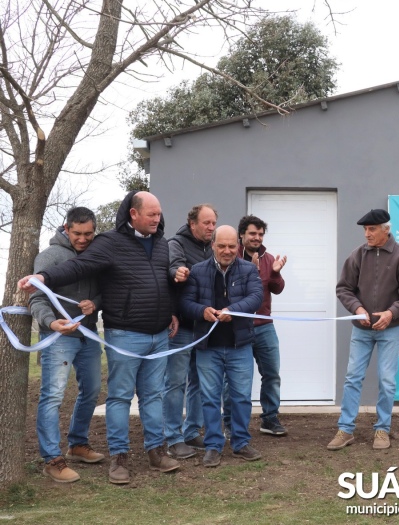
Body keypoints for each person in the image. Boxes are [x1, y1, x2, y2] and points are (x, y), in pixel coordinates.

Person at [19, 191, 181, 484]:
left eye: (159, 214)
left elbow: (141, 283)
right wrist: (43, 278)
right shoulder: (108, 243)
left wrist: (169, 310)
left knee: (148, 395)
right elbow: (76, 268)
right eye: (152, 214)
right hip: (120, 335)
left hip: (154, 334)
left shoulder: (161, 244)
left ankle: (156, 451)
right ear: (134, 214)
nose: (158, 219)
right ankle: (116, 458)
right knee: (114, 397)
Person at [328, 208, 399, 451]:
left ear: (386, 230)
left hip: (391, 329)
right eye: (365, 230)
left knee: (387, 380)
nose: (367, 234)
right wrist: (357, 307)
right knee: (352, 378)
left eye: (372, 229)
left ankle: (382, 429)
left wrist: (392, 312)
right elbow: (344, 289)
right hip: (361, 329)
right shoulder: (357, 256)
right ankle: (345, 429)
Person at [29, 207, 103, 483]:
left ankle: (78, 444)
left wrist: (95, 303)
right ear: (66, 228)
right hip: (58, 338)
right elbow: (36, 298)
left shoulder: (96, 255)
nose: (83, 239)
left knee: (93, 390)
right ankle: (52, 459)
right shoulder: (50, 257)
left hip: (89, 335)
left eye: (89, 234)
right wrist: (52, 323)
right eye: (77, 234)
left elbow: (104, 291)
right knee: (52, 397)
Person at [181, 225, 264, 467]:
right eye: (221, 246)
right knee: (209, 398)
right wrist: (202, 311)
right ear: (213, 246)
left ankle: (240, 442)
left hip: (240, 345)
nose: (227, 251)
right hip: (209, 346)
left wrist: (233, 311)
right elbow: (185, 303)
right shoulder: (197, 271)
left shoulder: (249, 269)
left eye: (231, 246)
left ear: (238, 245)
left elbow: (256, 298)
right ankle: (213, 445)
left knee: (241, 397)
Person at [163, 203, 217, 459]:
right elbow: (174, 268)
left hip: (204, 328)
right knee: (175, 383)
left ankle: (192, 431)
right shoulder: (177, 244)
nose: (211, 227)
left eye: (213, 223)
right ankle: (172, 437)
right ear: (192, 223)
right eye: (206, 223)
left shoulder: (213, 248)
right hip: (183, 327)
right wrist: (179, 272)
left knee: (198, 382)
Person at [237, 215, 288, 436]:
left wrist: (275, 273)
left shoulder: (268, 259)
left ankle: (269, 419)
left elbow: (277, 289)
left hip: (265, 326)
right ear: (242, 235)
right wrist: (250, 269)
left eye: (260, 234)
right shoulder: (232, 256)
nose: (257, 238)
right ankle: (234, 422)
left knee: (272, 374)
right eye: (252, 234)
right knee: (238, 377)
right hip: (238, 327)